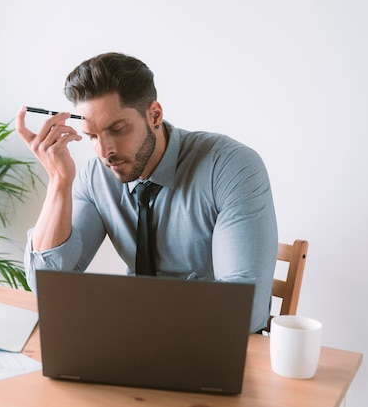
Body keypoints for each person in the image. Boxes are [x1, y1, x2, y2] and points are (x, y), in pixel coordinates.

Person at [15, 52, 277, 333]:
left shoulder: (229, 167)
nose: (105, 152)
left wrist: (127, 312)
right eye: (91, 136)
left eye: (117, 129)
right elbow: (48, 283)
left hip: (212, 345)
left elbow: (245, 311)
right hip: (132, 338)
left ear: (154, 115)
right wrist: (58, 180)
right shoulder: (96, 179)